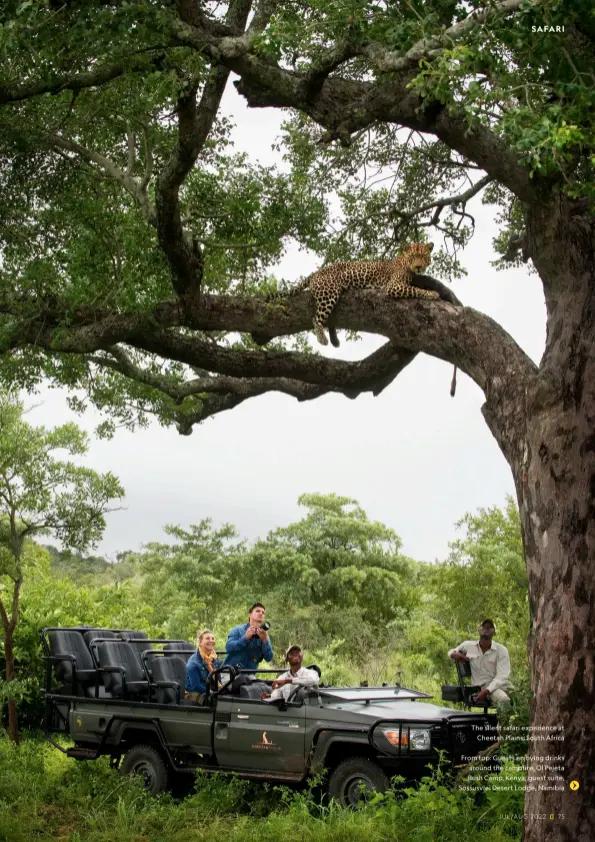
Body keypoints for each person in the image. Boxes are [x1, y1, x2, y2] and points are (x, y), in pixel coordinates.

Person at [448, 619, 512, 706]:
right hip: (482, 687)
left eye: (489, 627)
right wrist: (454, 654)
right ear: (479, 630)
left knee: (523, 698)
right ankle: (502, 720)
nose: (486, 629)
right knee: (504, 700)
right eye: (483, 627)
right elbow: (451, 651)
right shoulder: (469, 646)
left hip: (500, 685)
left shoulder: (501, 650)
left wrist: (486, 691)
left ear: (494, 632)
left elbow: (502, 676)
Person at [223, 602, 274, 672]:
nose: (261, 613)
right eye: (257, 611)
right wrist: (245, 638)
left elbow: (269, 658)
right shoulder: (237, 630)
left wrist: (265, 641)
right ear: (250, 614)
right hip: (229, 674)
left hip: (249, 677)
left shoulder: (264, 635)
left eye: (263, 612)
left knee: (262, 683)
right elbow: (228, 648)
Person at [185, 629, 222, 704]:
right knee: (214, 702)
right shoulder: (193, 662)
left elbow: (218, 679)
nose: (211, 640)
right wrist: (212, 693)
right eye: (207, 638)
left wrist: (221, 690)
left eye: (213, 638)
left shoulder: (214, 658)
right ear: (200, 642)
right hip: (193, 693)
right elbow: (196, 686)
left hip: (210, 690)